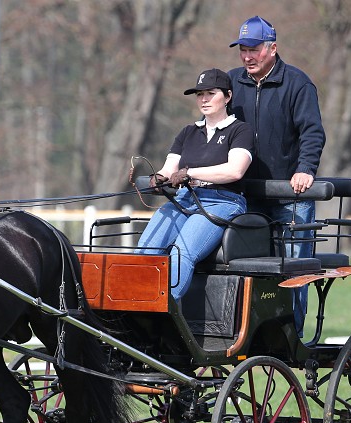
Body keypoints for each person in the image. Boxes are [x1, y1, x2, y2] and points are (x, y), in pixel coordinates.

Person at [227, 16, 326, 334]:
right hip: (245, 199)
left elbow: (312, 133)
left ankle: (291, 336)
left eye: (253, 49)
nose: (247, 57)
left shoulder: (298, 84)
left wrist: (305, 170)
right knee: (246, 272)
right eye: (243, 49)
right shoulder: (230, 84)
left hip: (290, 198)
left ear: (273, 48)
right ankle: (252, 334)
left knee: (293, 271)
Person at [137, 68, 253, 301]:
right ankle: (136, 304)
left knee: (182, 253)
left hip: (223, 201)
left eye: (211, 93)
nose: (204, 99)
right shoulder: (189, 132)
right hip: (184, 200)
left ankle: (167, 315)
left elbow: (235, 170)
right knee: (145, 249)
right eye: (200, 94)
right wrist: (158, 178)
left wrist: (190, 173)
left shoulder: (240, 130)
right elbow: (170, 168)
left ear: (228, 97)